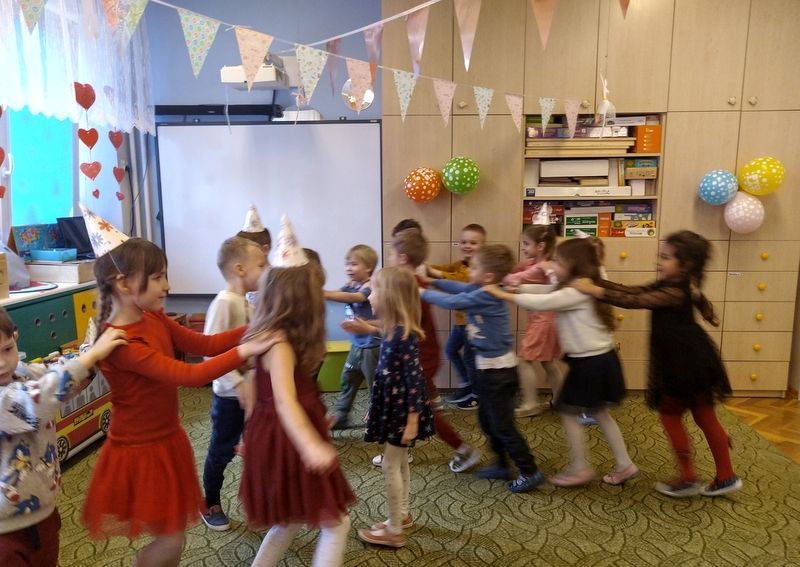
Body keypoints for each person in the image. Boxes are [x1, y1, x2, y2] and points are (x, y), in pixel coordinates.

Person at [78, 207, 278, 567]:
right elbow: (190, 375)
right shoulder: (122, 342)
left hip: (166, 439)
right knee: (171, 540)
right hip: (140, 451)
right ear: (123, 283)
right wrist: (248, 349)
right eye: (158, 277)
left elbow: (204, 344)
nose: (167, 286)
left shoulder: (153, 316)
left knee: (172, 537)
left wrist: (254, 329)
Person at [573, 230, 741, 497]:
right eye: (660, 256)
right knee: (704, 415)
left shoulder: (675, 291)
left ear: (685, 265)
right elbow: (633, 290)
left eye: (666, 258)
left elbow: (634, 301)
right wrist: (598, 282)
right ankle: (725, 476)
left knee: (671, 415)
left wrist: (594, 290)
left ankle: (689, 478)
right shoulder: (676, 285)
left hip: (683, 364)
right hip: (692, 360)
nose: (658, 262)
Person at [239, 223, 354, 566]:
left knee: (287, 520)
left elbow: (255, 386)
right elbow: (284, 401)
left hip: (281, 433)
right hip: (289, 439)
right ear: (303, 299)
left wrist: (250, 432)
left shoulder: (275, 335)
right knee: (336, 523)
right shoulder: (280, 343)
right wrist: (310, 445)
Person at [485, 238, 639, 488]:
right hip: (601, 359)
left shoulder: (576, 291)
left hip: (590, 363)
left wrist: (501, 293)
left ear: (572, 264)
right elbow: (545, 292)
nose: (552, 265)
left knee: (567, 412)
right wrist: (517, 288)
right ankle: (624, 464)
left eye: (557, 261)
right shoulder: (576, 286)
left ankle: (580, 468)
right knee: (599, 413)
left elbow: (543, 302)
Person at [345, 230, 480, 473]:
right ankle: (405, 447)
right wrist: (368, 327)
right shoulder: (412, 282)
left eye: (391, 254)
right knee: (419, 405)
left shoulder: (408, 285)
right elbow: (397, 324)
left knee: (421, 407)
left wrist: (368, 327)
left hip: (417, 356)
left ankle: (461, 449)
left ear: (403, 257)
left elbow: (400, 326)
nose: (390, 258)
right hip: (420, 353)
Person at [0, 308, 127, 567]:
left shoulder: (23, 373)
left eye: (7, 349)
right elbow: (35, 402)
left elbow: (56, 376)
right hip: (4, 531)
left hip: (43, 513)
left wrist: (89, 356)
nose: (2, 363)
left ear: (15, 337)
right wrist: (91, 356)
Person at [422, 244, 545, 493]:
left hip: (498, 373)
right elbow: (458, 287)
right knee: (488, 421)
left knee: (502, 425)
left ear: (488, 276)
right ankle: (501, 465)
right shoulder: (480, 288)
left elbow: (454, 301)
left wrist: (420, 290)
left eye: (474, 267)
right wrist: (432, 280)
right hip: (488, 370)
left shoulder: (486, 295)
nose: (470, 270)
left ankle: (529, 470)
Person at [357, 267, 435, 548]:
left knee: (390, 464)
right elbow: (386, 374)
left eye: (374, 291)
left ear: (390, 298)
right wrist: (374, 407)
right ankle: (401, 515)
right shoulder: (395, 330)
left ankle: (393, 529)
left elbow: (413, 379)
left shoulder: (402, 336)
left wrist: (412, 420)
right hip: (395, 407)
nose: (369, 296)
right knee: (399, 461)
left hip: (402, 412)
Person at [200, 237, 267, 531]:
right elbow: (210, 353)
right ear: (240, 269)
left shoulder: (246, 301)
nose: (265, 271)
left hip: (251, 394)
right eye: (260, 265)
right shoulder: (224, 303)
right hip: (229, 397)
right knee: (222, 450)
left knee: (256, 449)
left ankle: (259, 505)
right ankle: (210, 502)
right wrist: (238, 383)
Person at [504, 224, 563, 417]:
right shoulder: (535, 264)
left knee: (524, 361)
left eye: (526, 243)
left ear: (541, 246)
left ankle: (531, 404)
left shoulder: (540, 267)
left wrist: (495, 273)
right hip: (547, 321)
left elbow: (514, 278)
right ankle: (561, 401)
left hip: (543, 322)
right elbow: (519, 268)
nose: (523, 247)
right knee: (547, 362)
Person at [426, 223, 486, 410]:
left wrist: (434, 274)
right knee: (451, 350)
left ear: (483, 246)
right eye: (464, 242)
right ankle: (466, 384)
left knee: (469, 358)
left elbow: (459, 280)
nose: (467, 246)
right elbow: (445, 269)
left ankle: (477, 394)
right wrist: (424, 267)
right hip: (461, 323)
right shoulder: (460, 265)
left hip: (474, 325)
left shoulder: (478, 270)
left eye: (473, 243)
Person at [324, 245, 380, 430]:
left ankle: (377, 416)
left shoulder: (369, 286)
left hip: (372, 347)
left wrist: (325, 293)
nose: (348, 268)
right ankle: (342, 415)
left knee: (375, 386)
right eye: (347, 264)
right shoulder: (350, 285)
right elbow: (341, 294)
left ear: (369, 267)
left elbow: (355, 298)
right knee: (347, 379)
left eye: (354, 264)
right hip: (356, 346)